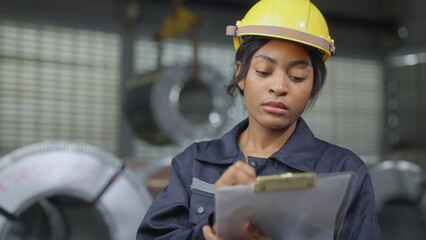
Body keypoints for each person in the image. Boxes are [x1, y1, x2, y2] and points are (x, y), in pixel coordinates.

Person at [137, 0, 381, 239]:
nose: (278, 87)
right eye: (264, 71)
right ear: (240, 74)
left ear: (313, 84)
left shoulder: (343, 172)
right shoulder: (194, 164)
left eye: (297, 76)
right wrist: (213, 228)